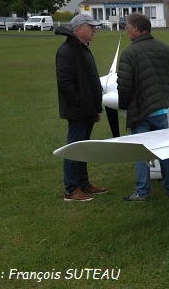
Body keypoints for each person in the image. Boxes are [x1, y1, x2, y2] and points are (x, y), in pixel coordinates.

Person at [118, 13, 169, 201]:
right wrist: (163, 78)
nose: (127, 32)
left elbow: (124, 86)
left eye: (128, 28)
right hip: (161, 110)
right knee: (166, 150)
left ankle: (142, 192)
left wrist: (123, 106)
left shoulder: (129, 54)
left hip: (140, 111)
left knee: (141, 152)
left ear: (137, 29)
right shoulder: (164, 48)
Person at [55, 13, 108, 202]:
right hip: (77, 111)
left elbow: (92, 80)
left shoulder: (83, 48)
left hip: (87, 110)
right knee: (74, 148)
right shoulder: (67, 51)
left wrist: (95, 108)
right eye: (90, 26)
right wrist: (82, 105)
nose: (94, 30)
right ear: (79, 28)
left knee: (83, 148)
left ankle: (83, 183)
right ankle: (71, 189)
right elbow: (65, 84)